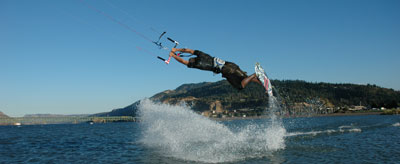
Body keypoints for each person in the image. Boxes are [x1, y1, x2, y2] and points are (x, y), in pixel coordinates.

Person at [169, 48, 264, 91]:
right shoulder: (201, 54)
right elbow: (188, 50)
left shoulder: (198, 64)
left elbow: (182, 61)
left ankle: (255, 74)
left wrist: (173, 56)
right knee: (244, 78)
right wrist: (176, 50)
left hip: (227, 71)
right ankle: (262, 83)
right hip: (231, 65)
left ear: (192, 62)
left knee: (240, 86)